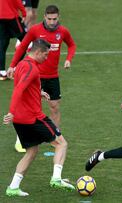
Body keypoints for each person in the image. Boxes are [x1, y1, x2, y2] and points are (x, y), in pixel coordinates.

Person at [3, 38, 75, 197]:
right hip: (33, 117)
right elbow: (19, 89)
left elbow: (22, 84)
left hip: (20, 120)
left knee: (31, 151)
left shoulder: (22, 64)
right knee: (61, 143)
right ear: (38, 52)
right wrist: (11, 111)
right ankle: (56, 179)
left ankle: (13, 187)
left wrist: (38, 92)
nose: (47, 57)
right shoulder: (32, 69)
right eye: (46, 54)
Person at [7, 5, 76, 153]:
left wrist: (69, 59)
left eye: (55, 19)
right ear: (44, 17)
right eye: (49, 19)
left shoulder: (63, 31)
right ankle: (21, 139)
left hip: (53, 77)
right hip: (34, 76)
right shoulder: (35, 30)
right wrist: (13, 65)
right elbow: (22, 46)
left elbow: (72, 45)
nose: (52, 22)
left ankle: (54, 138)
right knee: (29, 110)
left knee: (55, 107)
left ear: (58, 18)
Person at [0, 0, 27, 80]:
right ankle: (14, 69)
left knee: (2, 44)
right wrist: (24, 13)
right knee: (27, 41)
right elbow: (17, 1)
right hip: (12, 18)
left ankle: (2, 72)